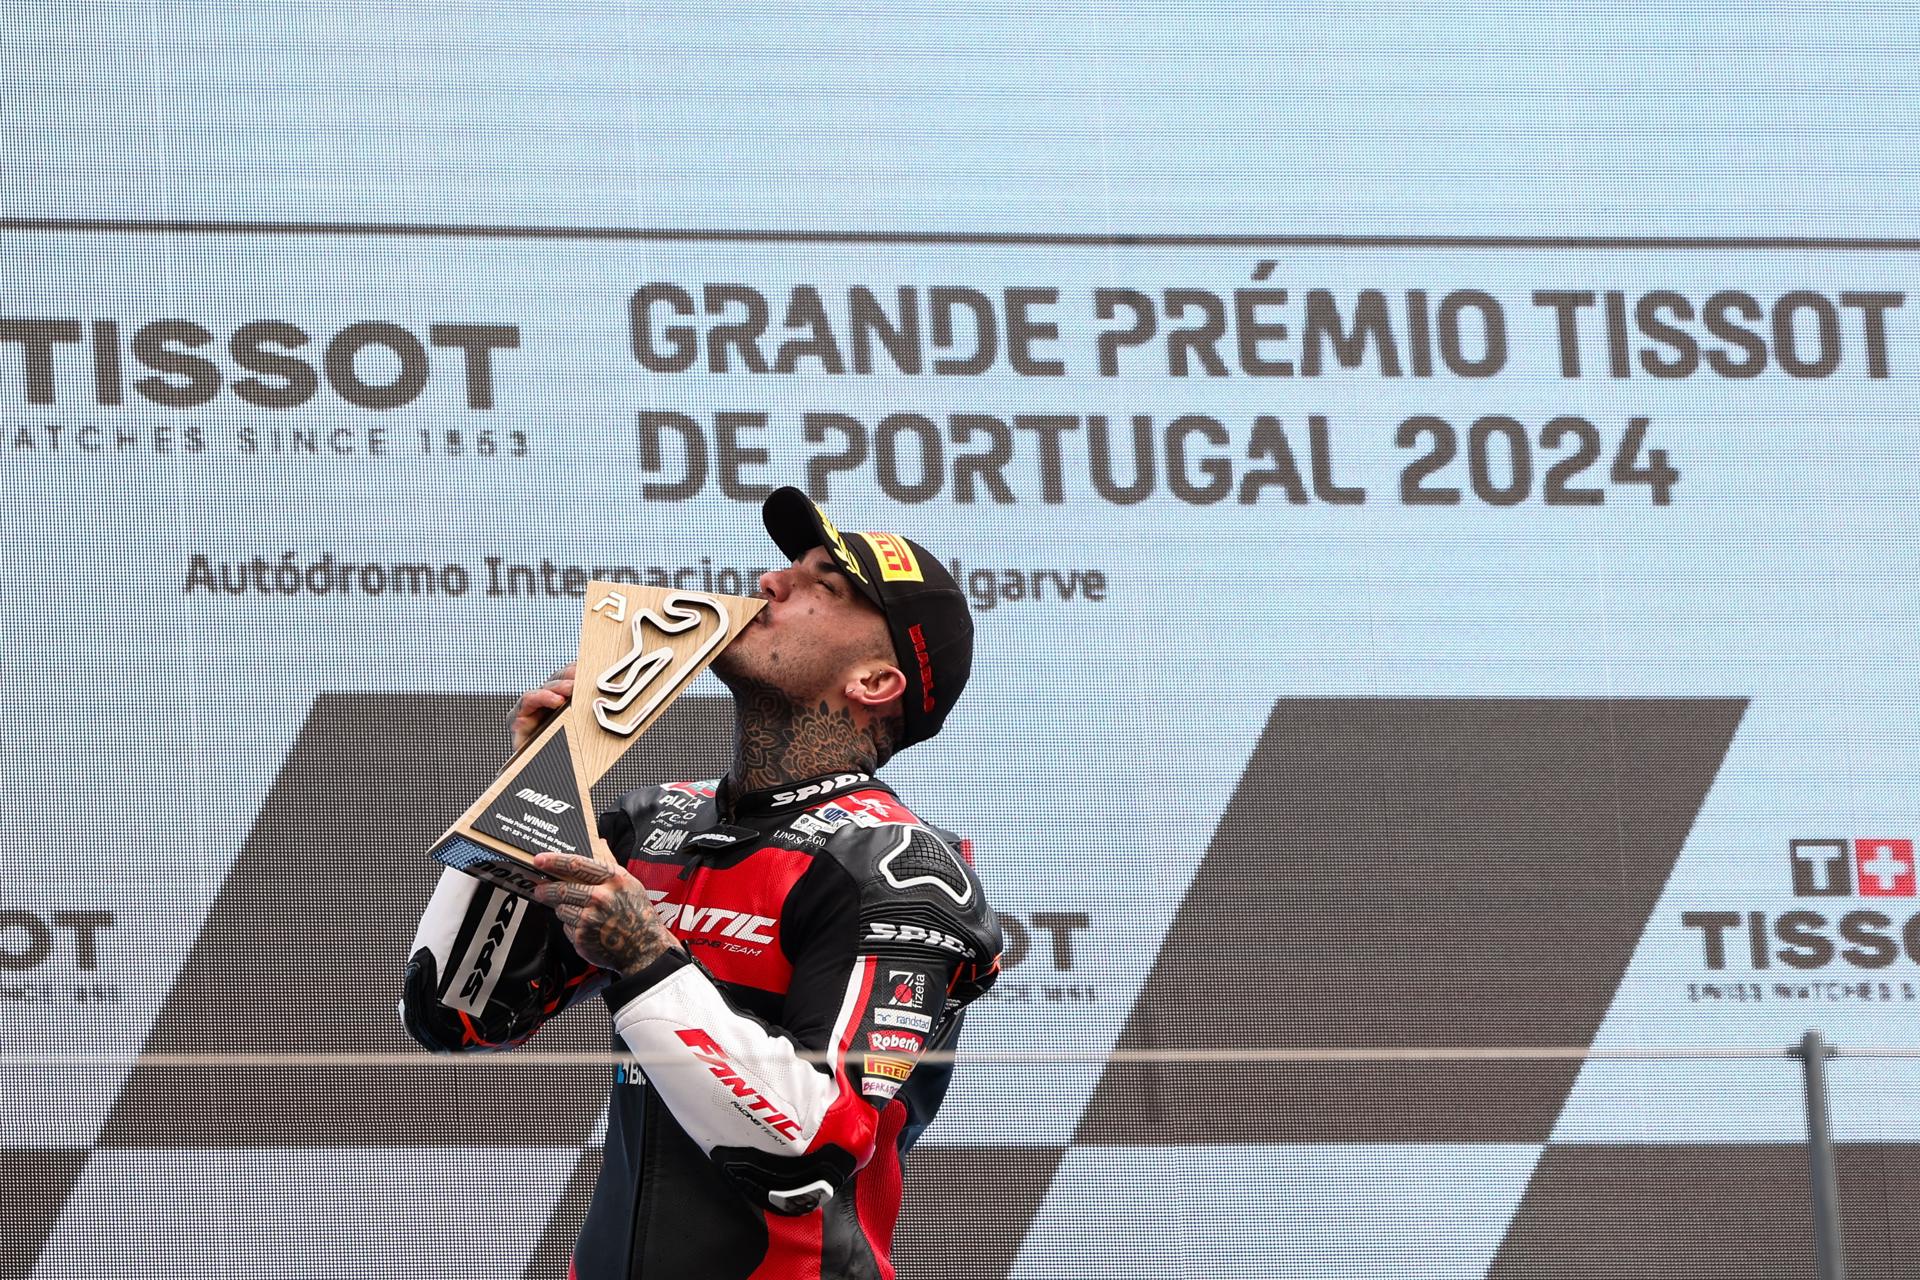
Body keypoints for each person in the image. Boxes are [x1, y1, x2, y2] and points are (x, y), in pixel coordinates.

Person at [400, 487, 1003, 1280]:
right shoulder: (654, 822)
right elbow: (451, 1012)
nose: (768, 584)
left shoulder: (898, 869)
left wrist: (647, 960)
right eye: (787, 567)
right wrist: (533, 787)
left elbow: (812, 1149)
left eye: (821, 584)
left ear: (876, 682)